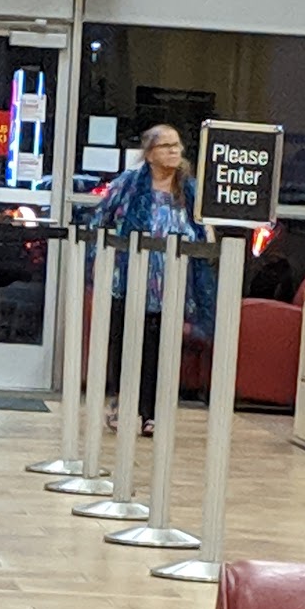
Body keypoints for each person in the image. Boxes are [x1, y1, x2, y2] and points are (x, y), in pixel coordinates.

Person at [92, 125, 212, 434]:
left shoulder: (190, 190)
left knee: (161, 349)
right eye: (166, 146)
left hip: (173, 284)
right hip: (131, 280)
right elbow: (101, 219)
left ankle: (152, 414)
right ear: (149, 154)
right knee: (126, 344)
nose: (174, 151)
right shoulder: (128, 185)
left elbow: (202, 231)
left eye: (177, 145)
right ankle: (123, 405)